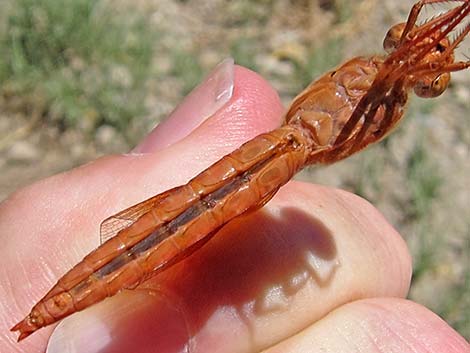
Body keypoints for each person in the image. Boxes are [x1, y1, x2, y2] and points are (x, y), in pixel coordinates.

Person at [0, 60, 467, 353]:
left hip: (276, 156)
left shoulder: (382, 100)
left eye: (434, 81)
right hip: (272, 150)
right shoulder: (371, 74)